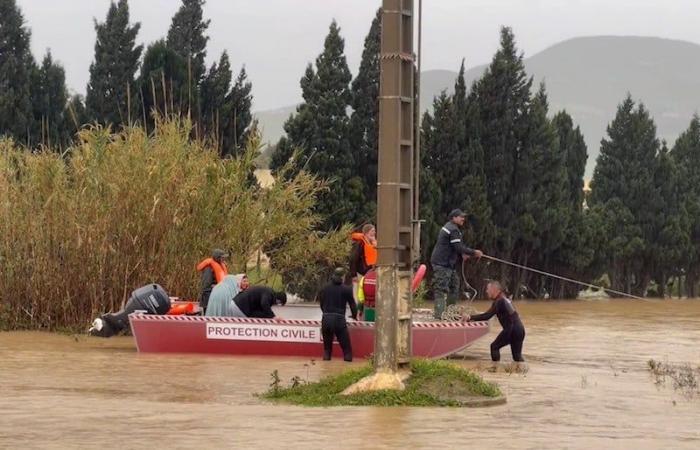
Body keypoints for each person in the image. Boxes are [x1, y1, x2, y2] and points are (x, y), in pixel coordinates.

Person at [430, 209, 483, 319]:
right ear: (453, 218)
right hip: (442, 264)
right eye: (460, 217)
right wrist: (474, 252)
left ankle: (450, 312)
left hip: (447, 264)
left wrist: (463, 253)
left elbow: (454, 246)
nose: (463, 219)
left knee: (454, 285)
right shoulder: (453, 229)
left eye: (463, 217)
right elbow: (458, 247)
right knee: (441, 288)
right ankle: (439, 316)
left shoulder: (450, 227)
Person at [466, 280, 526, 362]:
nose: (486, 291)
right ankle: (522, 371)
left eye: (488, 289)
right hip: (520, 329)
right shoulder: (504, 298)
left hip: (511, 329)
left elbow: (487, 316)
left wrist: (469, 317)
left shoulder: (499, 301)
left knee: (494, 347)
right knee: (517, 357)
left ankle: (494, 369)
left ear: (494, 290)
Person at [319, 267, 358, 362]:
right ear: (343, 276)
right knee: (347, 350)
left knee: (327, 350)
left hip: (326, 319)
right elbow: (352, 305)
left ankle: (326, 371)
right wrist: (354, 316)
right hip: (339, 320)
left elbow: (321, 303)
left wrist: (326, 313)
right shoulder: (346, 289)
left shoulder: (325, 288)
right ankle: (347, 370)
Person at [349, 224, 377, 298]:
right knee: (358, 292)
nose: (374, 232)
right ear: (367, 232)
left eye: (374, 231)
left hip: (370, 272)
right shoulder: (360, 244)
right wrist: (353, 275)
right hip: (361, 272)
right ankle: (357, 307)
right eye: (372, 231)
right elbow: (353, 259)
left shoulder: (374, 243)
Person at [196, 249, 229, 314]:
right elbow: (206, 285)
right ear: (217, 258)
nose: (224, 259)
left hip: (216, 295)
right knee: (208, 316)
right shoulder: (208, 268)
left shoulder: (221, 265)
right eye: (222, 257)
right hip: (208, 296)